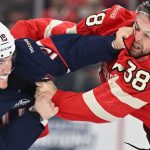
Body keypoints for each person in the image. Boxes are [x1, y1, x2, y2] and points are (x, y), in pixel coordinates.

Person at [33, 1, 150, 149]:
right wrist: (19, 40)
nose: (137, 37)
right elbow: (69, 33)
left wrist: (55, 97)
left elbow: (102, 108)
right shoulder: (118, 18)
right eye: (137, 27)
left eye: (147, 35)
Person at [0, 20, 126, 149]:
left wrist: (112, 44)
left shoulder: (23, 57)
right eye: (0, 62)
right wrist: (36, 116)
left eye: (10, 57)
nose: (7, 68)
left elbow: (70, 50)